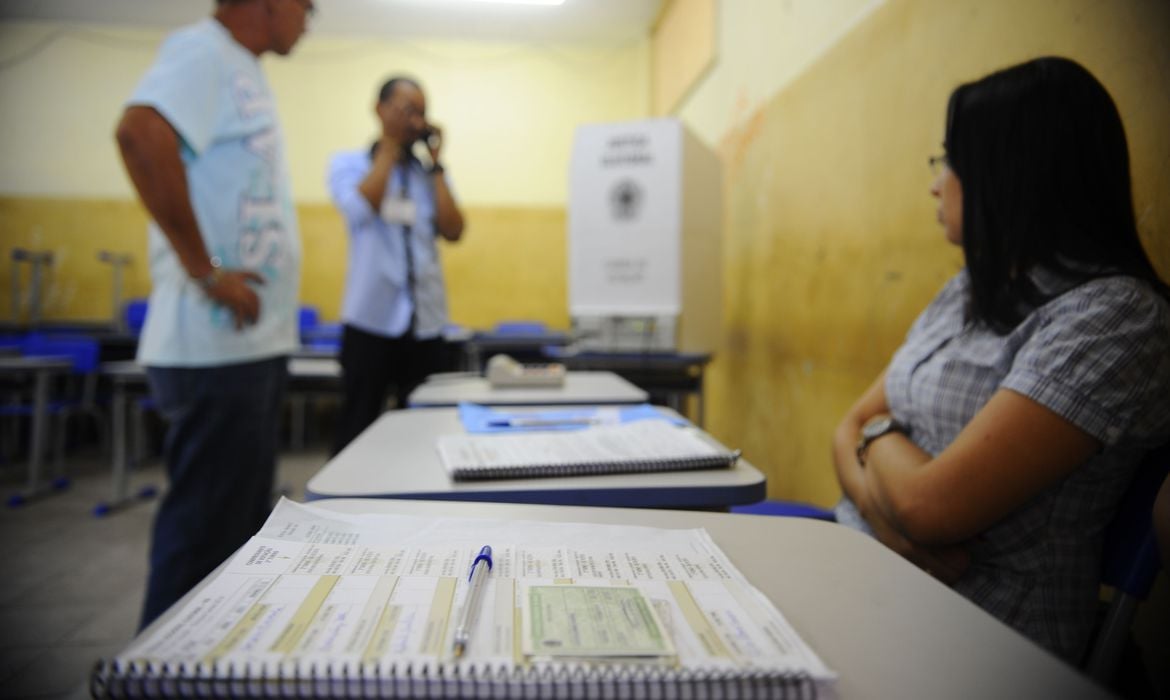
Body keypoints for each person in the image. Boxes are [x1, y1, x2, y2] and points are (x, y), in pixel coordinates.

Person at [831, 56, 1170, 664]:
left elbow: (929, 507)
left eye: (950, 162)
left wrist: (878, 440)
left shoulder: (1114, 317)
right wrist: (894, 529)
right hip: (874, 571)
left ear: (1010, 171)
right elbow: (844, 430)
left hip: (977, 640)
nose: (936, 184)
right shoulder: (971, 287)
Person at [114, 0, 311, 628]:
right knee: (202, 534)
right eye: (307, 6)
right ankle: (160, 673)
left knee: (235, 537)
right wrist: (206, 270)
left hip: (246, 346)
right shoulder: (204, 50)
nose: (309, 18)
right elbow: (140, 133)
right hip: (213, 346)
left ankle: (213, 663)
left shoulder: (241, 66)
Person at [328, 76, 465, 454]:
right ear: (379, 109)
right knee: (357, 426)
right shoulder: (349, 164)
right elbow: (359, 208)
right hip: (370, 320)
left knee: (424, 430)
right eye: (406, 110)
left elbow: (454, 230)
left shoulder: (428, 176)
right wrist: (388, 147)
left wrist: (437, 165)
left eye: (421, 113)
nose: (415, 122)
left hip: (426, 322)